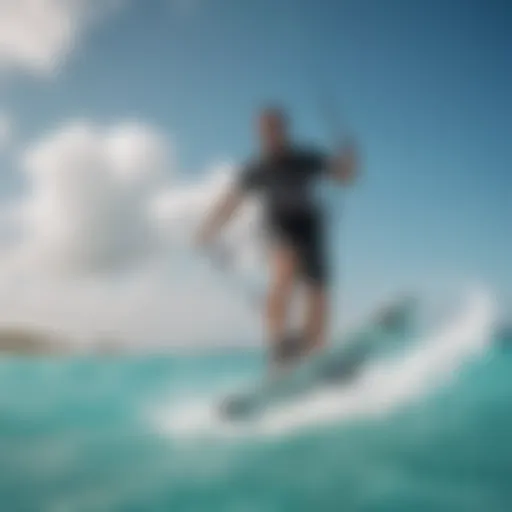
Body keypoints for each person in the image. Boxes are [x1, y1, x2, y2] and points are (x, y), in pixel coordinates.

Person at [196, 106, 359, 368]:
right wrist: (207, 229)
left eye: (274, 129)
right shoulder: (257, 169)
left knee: (319, 298)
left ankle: (315, 354)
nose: (269, 135)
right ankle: (277, 354)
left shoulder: (305, 159)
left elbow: (344, 178)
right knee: (284, 271)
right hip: (279, 229)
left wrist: (349, 164)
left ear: (284, 130)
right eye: (263, 131)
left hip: (311, 229)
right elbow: (230, 202)